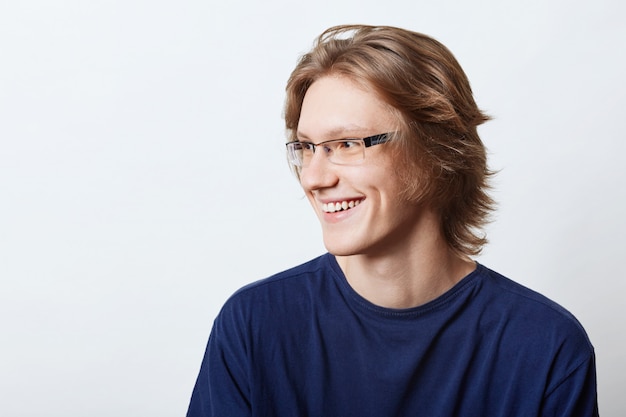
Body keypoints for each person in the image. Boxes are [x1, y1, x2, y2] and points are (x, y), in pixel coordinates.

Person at [187, 24, 598, 416]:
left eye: (347, 144)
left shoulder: (545, 347)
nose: (313, 177)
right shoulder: (254, 324)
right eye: (307, 147)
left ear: (435, 152)